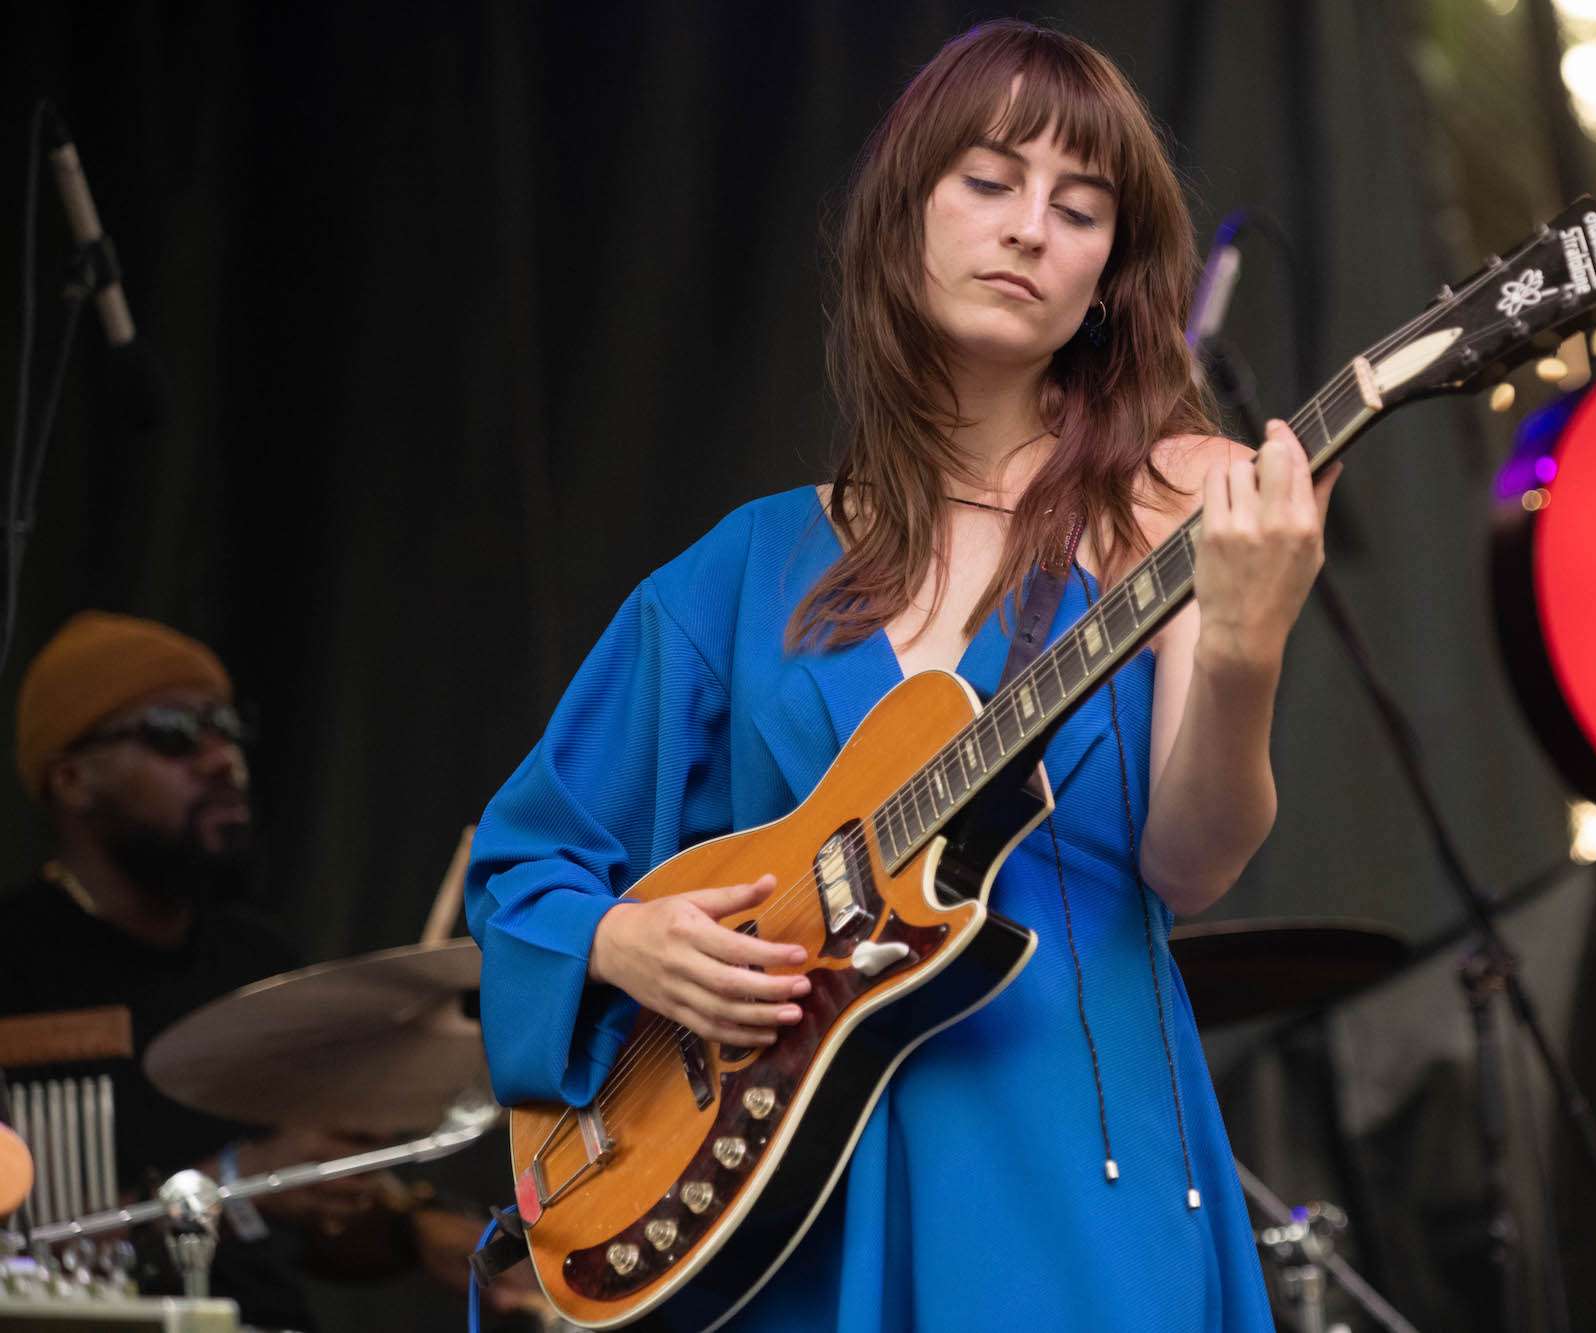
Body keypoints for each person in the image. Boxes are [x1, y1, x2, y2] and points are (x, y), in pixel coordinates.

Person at [466, 19, 1337, 1330]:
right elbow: (523, 866)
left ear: (1106, 279)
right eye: (988, 181)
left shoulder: (1171, 505)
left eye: (1079, 209)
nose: (1030, 228)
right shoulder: (743, 571)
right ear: (902, 220)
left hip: (1074, 1178)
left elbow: (1193, 861)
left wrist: (1246, 647)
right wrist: (623, 943)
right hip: (789, 1205)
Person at [0, 610, 536, 1328]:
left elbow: (316, 1229)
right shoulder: (15, 964)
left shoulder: (257, 963)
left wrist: (410, 1232)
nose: (222, 758)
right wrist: (235, 1183)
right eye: (173, 734)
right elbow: (27, 1247)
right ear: (73, 779)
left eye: (226, 728)